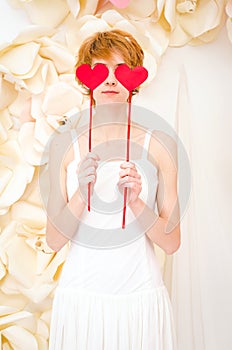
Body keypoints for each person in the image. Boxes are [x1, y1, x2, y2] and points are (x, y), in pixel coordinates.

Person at [46, 29, 180, 350]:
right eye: (99, 70)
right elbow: (53, 240)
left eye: (119, 70)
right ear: (85, 78)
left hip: (140, 299)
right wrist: (81, 191)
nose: (109, 80)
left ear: (134, 80)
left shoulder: (160, 145)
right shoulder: (64, 145)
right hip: (81, 300)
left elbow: (172, 242)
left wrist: (136, 202)